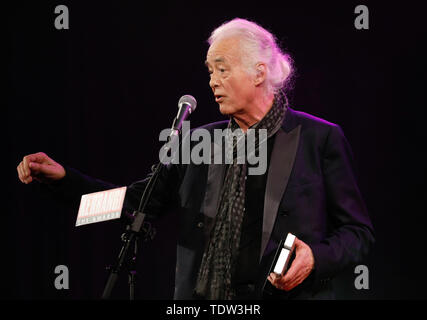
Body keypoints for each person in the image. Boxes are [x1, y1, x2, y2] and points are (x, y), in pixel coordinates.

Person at [16, 18, 374, 300]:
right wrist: (63, 180)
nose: (212, 81)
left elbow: (357, 233)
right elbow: (138, 203)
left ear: (259, 72)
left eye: (222, 68)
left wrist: (316, 259)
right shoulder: (200, 141)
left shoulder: (318, 138)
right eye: (209, 71)